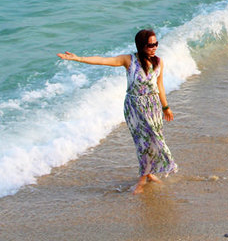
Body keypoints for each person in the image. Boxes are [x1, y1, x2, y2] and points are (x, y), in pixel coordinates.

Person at [58, 29, 177, 195]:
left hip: (153, 107)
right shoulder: (129, 60)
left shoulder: (158, 62)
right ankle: (144, 178)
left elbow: (160, 86)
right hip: (134, 107)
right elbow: (103, 60)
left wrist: (166, 107)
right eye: (151, 45)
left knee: (154, 140)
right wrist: (78, 58)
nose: (154, 47)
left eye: (156, 44)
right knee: (142, 143)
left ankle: (148, 173)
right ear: (142, 46)